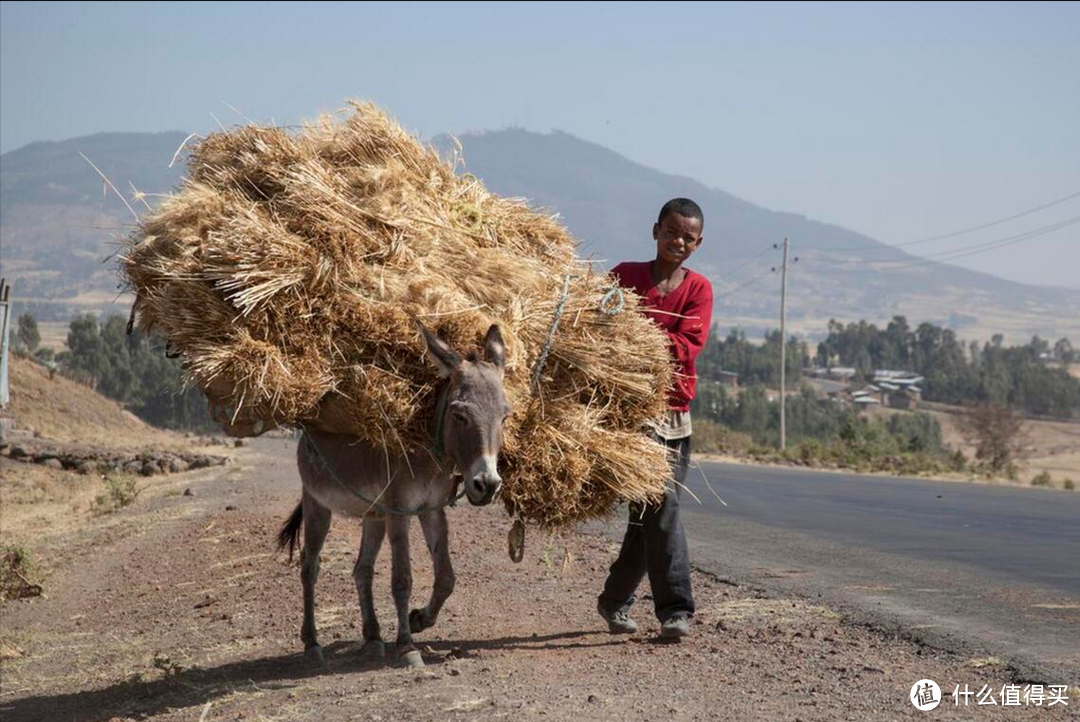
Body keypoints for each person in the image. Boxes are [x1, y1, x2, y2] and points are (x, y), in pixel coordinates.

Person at [597, 197, 713, 640]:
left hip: (670, 416)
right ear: (655, 231)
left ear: (698, 243)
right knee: (655, 511)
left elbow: (687, 347)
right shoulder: (624, 276)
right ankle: (673, 611)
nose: (678, 241)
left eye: (688, 236)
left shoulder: (698, 290)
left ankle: (621, 602)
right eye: (671, 232)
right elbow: (600, 325)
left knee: (655, 512)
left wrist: (637, 338)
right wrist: (641, 339)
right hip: (626, 412)